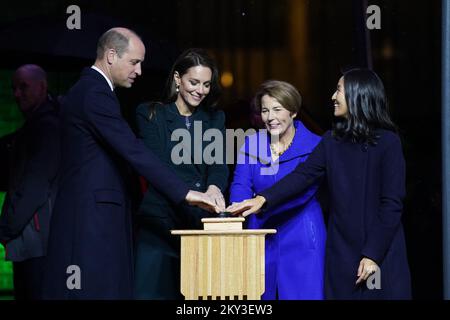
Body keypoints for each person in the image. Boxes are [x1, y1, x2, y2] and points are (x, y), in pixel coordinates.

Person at [41, 29, 218, 300]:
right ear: (111, 55)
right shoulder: (94, 93)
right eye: (134, 62)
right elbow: (134, 151)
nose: (139, 71)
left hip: (95, 216)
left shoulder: (93, 90)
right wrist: (187, 193)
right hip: (92, 219)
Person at [227, 69, 412, 300]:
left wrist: (373, 254)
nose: (333, 96)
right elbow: (302, 176)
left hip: (380, 251)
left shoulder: (388, 143)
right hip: (342, 252)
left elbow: (391, 204)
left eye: (339, 90)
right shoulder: (331, 141)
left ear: (358, 94)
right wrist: (263, 199)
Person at [134, 48, 229, 299]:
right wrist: (194, 193)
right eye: (194, 82)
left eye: (207, 84)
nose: (201, 90)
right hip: (159, 224)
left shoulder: (215, 118)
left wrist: (214, 188)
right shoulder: (150, 113)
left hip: (199, 224)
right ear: (178, 79)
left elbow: (218, 165)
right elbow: (158, 167)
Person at [229, 80, 326, 300]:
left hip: (302, 232)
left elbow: (304, 191)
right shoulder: (252, 143)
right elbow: (241, 184)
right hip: (259, 233)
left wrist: (260, 204)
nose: (270, 117)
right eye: (265, 110)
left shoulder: (316, 145)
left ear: (293, 111)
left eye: (277, 109)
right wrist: (236, 213)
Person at [0, 64, 60, 299]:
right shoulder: (36, 127)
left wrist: (6, 229)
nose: (17, 94)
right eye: (14, 88)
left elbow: (34, 187)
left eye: (24, 87)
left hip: (37, 243)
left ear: (42, 87)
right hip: (32, 241)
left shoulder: (47, 128)